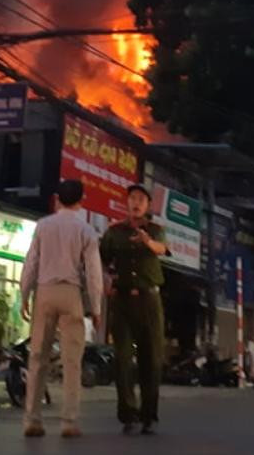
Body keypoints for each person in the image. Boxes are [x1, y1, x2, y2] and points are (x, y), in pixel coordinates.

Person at [19, 178, 104, 439]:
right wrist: (97, 307)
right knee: (72, 361)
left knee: (37, 359)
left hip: (44, 291)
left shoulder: (43, 226)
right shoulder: (86, 230)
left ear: (57, 198)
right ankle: (69, 422)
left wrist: (24, 294)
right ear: (81, 200)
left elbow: (31, 261)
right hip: (71, 293)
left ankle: (32, 420)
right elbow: (93, 273)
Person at [100, 183, 170, 435]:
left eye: (141, 199)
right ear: (127, 203)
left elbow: (162, 249)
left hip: (148, 299)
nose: (136, 202)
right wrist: (106, 279)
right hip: (121, 300)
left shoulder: (156, 230)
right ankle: (127, 413)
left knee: (151, 358)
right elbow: (102, 259)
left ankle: (148, 415)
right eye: (132, 198)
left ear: (148, 205)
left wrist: (147, 241)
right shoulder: (114, 232)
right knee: (122, 358)